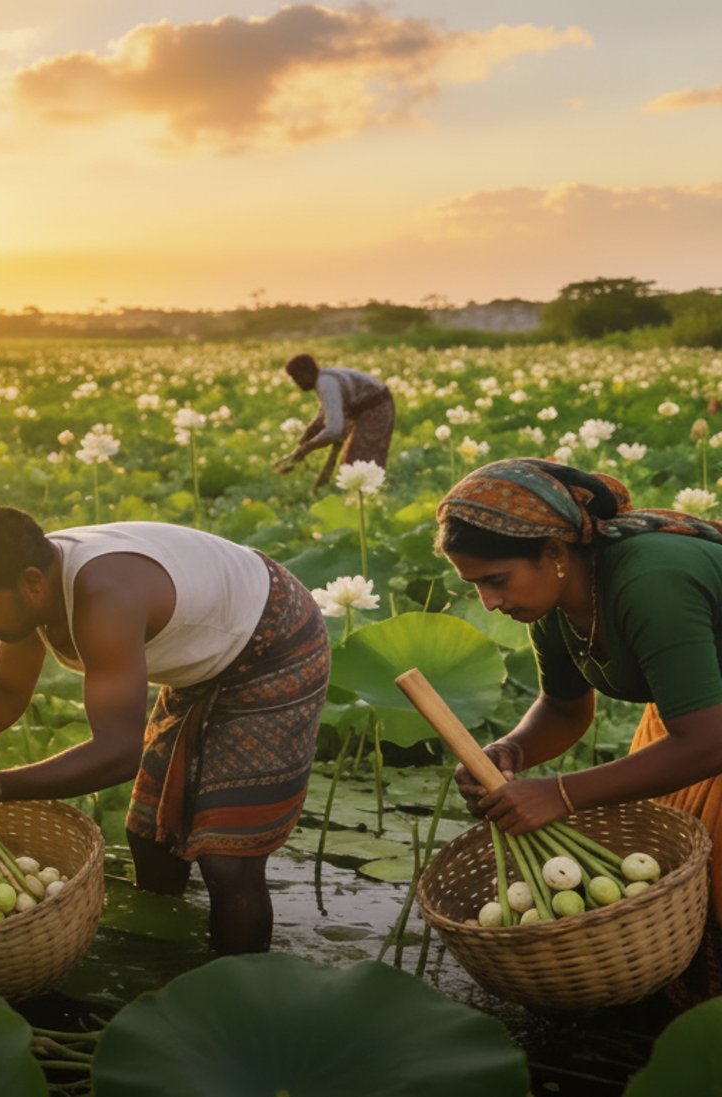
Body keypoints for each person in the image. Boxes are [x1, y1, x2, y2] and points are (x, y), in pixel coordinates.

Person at [0, 505, 329, 954]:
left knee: (228, 860)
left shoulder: (103, 594)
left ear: (31, 583)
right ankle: (163, 958)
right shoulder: (28, 584)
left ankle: (239, 998)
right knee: (149, 835)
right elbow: (7, 688)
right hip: (206, 657)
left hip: (275, 644)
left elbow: (118, 753)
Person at [441, 457, 722, 1002]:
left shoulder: (650, 581)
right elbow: (566, 709)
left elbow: (709, 741)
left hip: (705, 730)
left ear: (554, 551)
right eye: (475, 586)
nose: (490, 602)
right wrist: (510, 751)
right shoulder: (551, 602)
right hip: (694, 721)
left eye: (496, 581)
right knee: (681, 894)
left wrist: (562, 794)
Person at [274, 353, 394, 488]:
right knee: (350, 463)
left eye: (297, 377)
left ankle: (375, 494)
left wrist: (308, 447)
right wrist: (306, 439)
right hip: (363, 407)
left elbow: (334, 430)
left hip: (376, 407)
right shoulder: (323, 379)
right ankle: (363, 494)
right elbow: (323, 417)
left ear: (307, 373)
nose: (297, 383)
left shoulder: (326, 384)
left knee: (359, 462)